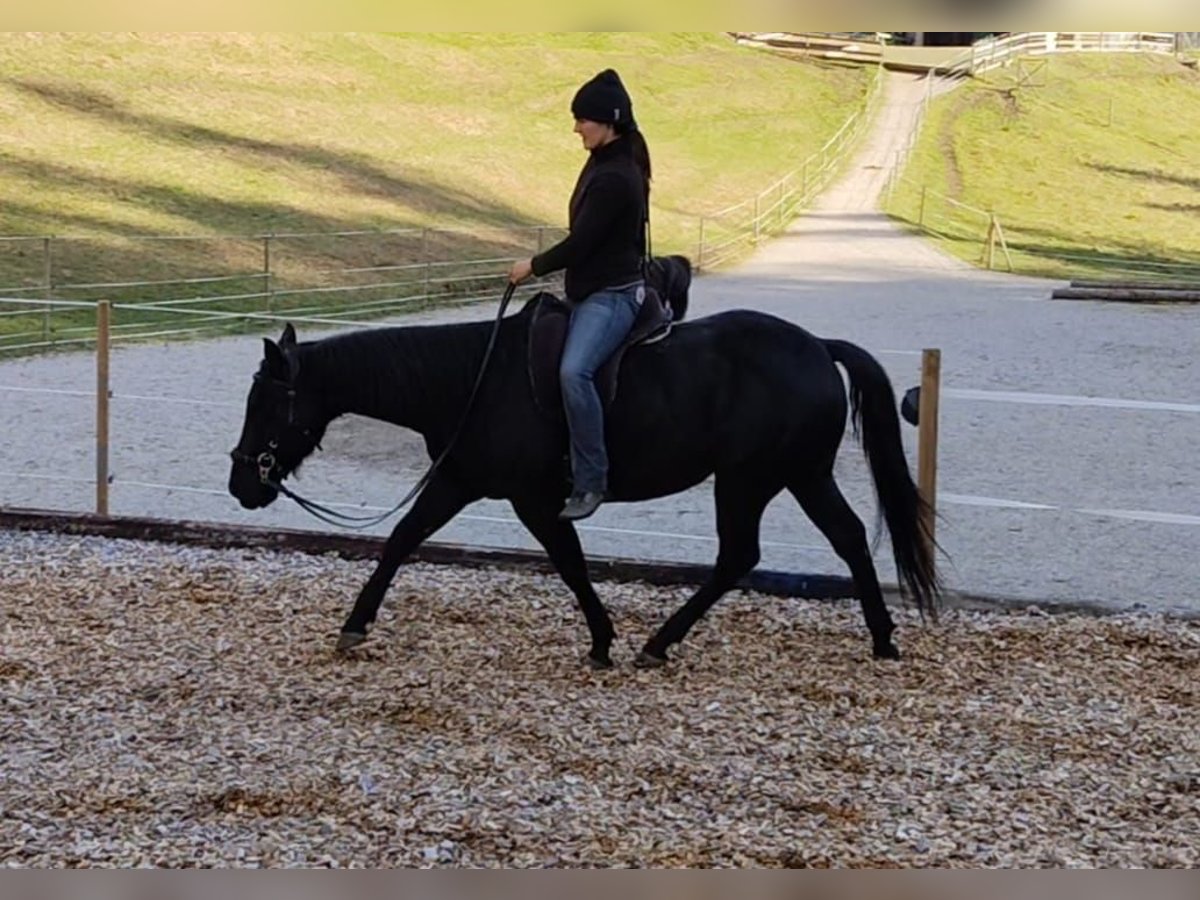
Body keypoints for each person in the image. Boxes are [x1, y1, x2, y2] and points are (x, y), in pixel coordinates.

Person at [509, 68, 652, 522]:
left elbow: (582, 242)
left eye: (581, 120)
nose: (576, 128)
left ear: (607, 121)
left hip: (612, 296)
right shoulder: (605, 160)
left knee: (574, 372)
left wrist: (532, 266)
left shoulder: (615, 177)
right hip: (588, 291)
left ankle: (592, 479)